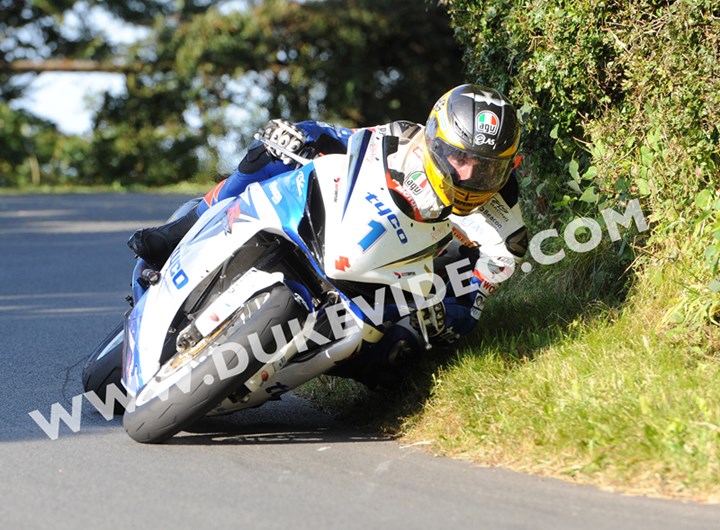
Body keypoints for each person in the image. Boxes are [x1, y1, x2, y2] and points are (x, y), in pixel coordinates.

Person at [128, 84, 529, 388]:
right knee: (266, 155)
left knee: (397, 358)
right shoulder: (403, 139)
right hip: (347, 230)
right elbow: (339, 137)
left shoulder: (506, 233)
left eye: (486, 169)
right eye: (460, 159)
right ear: (434, 138)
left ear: (510, 165)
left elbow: (473, 300)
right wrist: (293, 135)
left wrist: (445, 321)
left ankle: (294, 373)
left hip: (397, 287)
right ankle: (181, 228)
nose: (468, 177)